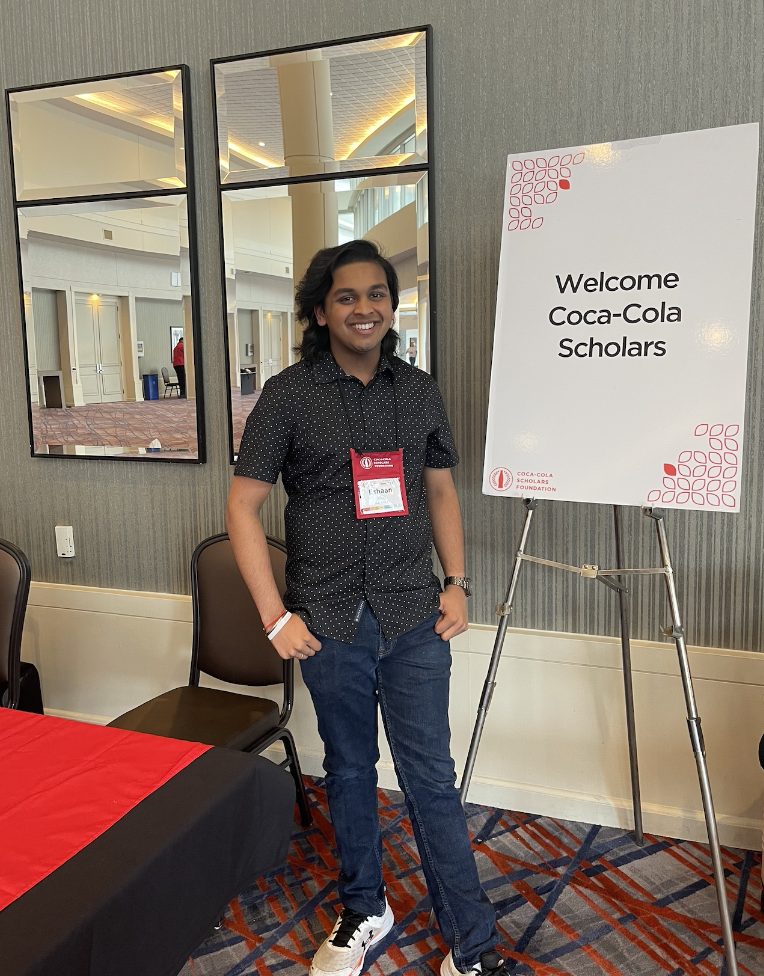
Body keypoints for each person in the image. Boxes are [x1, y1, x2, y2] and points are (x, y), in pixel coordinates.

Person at [226, 240, 506, 976]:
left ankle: (471, 946)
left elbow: (440, 489)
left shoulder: (419, 392)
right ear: (320, 311)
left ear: (392, 304)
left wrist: (459, 581)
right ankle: (365, 906)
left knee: (431, 781)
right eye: (347, 297)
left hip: (415, 614)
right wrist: (274, 617)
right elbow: (243, 508)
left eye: (377, 294)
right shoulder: (286, 396)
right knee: (349, 771)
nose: (364, 308)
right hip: (327, 623)